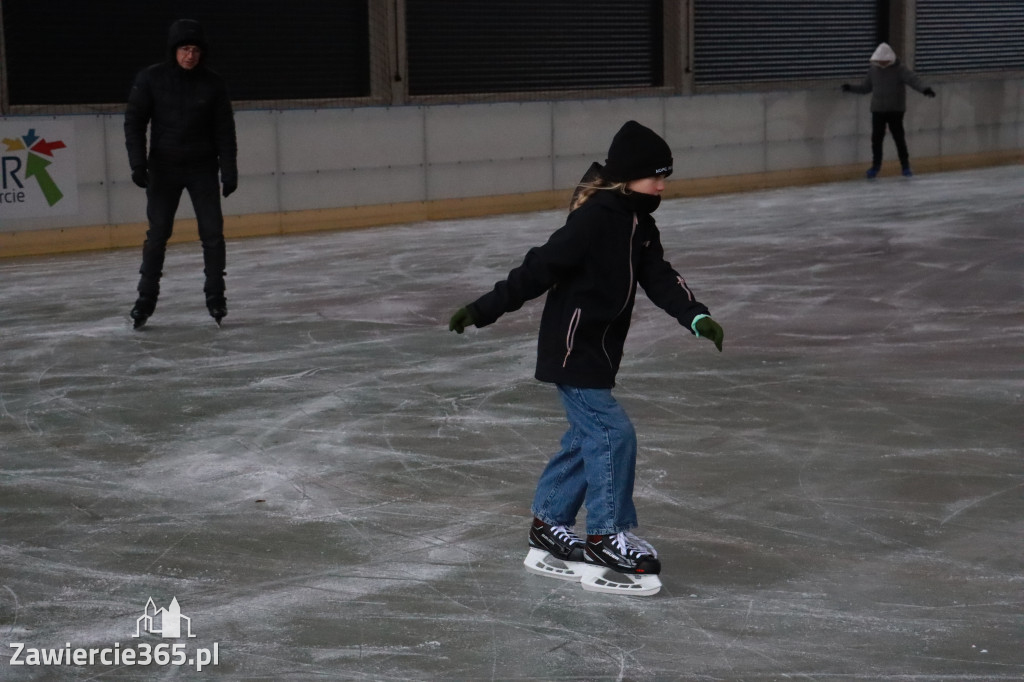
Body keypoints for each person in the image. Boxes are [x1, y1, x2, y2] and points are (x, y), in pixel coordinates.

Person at [448, 120, 725, 596]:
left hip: (599, 347)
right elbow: (539, 267)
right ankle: (606, 535)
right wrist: (483, 309)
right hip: (572, 346)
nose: (663, 185)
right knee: (613, 434)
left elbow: (658, 276)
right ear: (628, 176)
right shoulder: (596, 218)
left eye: (665, 176)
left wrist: (695, 315)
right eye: (655, 176)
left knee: (587, 437)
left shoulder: (641, 224)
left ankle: (549, 524)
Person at [124, 19, 238, 328]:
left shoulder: (213, 83)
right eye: (185, 49)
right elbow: (134, 122)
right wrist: (138, 164)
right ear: (174, 50)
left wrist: (229, 170)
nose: (190, 55)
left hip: (202, 168)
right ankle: (145, 299)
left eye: (196, 50)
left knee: (212, 234)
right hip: (164, 169)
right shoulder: (151, 79)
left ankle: (216, 296)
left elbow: (224, 130)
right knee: (158, 234)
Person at [842, 42, 936, 179]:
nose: (881, 62)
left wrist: (925, 90)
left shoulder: (900, 69)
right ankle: (875, 166)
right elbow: (865, 88)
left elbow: (913, 80)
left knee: (899, 138)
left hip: (895, 110)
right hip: (878, 110)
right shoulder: (873, 70)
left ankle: (905, 166)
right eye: (879, 60)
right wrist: (851, 88)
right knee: (876, 139)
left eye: (884, 60)